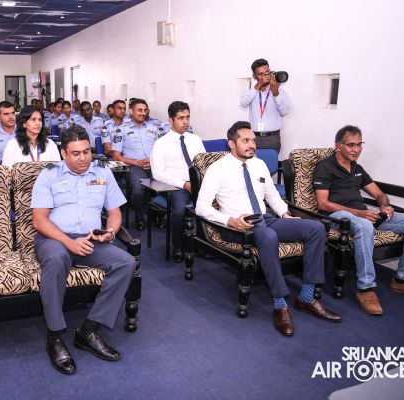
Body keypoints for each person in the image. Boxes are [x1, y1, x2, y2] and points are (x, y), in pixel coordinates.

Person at [195, 121, 342, 336]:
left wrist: (285, 214)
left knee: (316, 228)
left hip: (266, 219)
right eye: (246, 140)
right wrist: (230, 220)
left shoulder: (259, 164)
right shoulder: (218, 169)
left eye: (253, 140)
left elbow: (272, 195)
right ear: (231, 144)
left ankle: (307, 297)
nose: (252, 145)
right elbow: (201, 207)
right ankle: (280, 304)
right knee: (269, 236)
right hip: (240, 226)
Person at [31, 125, 135, 375]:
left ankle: (88, 331)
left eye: (86, 152)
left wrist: (110, 232)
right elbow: (39, 221)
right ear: (63, 154)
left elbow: (114, 213)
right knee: (56, 260)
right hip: (55, 239)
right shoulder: (49, 175)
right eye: (76, 153)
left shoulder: (103, 172)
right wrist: (69, 242)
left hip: (90, 240)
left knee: (126, 262)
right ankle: (55, 336)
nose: (83, 158)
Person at [314, 125, 404, 315]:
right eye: (351, 145)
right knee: (365, 225)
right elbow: (323, 203)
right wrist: (359, 214)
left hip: (363, 215)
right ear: (338, 146)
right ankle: (366, 289)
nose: (356, 149)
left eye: (359, 145)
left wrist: (385, 206)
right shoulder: (325, 167)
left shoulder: (357, 168)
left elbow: (379, 194)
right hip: (338, 216)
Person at [150, 101, 206, 262]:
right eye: (181, 118)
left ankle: (204, 243)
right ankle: (178, 246)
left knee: (211, 205)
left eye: (188, 117)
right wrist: (184, 185)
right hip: (176, 186)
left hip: (197, 183)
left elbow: (204, 163)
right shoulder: (161, 144)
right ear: (171, 120)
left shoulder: (195, 139)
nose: (186, 122)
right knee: (181, 211)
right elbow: (158, 173)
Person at [112, 98, 160, 230]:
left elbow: (161, 150)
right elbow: (116, 156)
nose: (143, 113)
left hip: (154, 166)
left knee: (167, 185)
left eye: (145, 110)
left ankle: (157, 215)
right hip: (134, 166)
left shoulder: (153, 129)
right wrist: (137, 162)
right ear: (131, 111)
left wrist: (153, 160)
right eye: (140, 110)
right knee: (138, 190)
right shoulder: (121, 130)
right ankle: (140, 218)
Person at [239, 58, 290, 153]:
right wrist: (258, 85)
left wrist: (275, 93)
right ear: (254, 76)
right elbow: (243, 103)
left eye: (267, 72)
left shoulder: (279, 91)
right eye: (260, 74)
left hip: (273, 138)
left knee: (271, 162)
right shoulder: (250, 91)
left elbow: (284, 112)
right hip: (253, 138)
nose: (265, 76)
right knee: (253, 163)